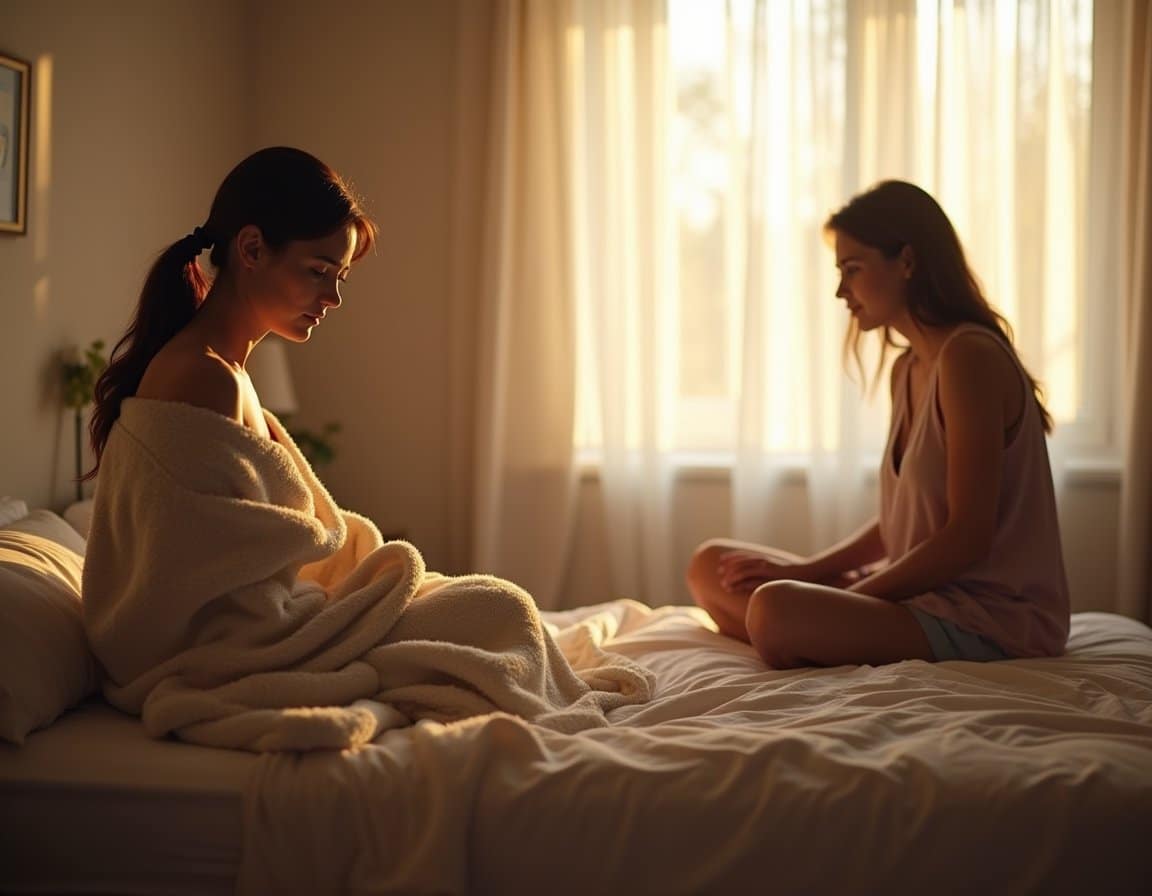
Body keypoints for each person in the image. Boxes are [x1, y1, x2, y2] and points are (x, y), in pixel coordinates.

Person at [686, 180, 1071, 668]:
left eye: (852, 269)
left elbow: (965, 538)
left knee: (775, 607)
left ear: (907, 262)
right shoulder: (907, 369)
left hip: (991, 618)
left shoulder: (969, 357)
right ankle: (800, 630)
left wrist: (856, 598)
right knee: (710, 566)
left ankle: (795, 630)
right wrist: (808, 569)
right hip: (926, 599)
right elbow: (900, 521)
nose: (841, 291)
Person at [86, 146, 376, 461]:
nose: (334, 298)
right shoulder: (207, 379)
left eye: (340, 277)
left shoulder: (229, 374)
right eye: (318, 271)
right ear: (252, 249)